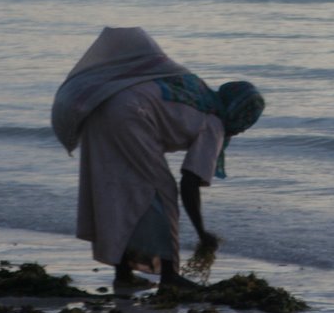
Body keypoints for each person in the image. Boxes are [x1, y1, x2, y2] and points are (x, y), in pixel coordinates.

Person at [51, 27, 265, 289]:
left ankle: (124, 273)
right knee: (162, 190)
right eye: (245, 124)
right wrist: (202, 233)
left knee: (120, 188)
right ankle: (169, 276)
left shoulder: (197, 89)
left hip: (104, 105)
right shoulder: (214, 122)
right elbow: (190, 182)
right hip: (131, 115)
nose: (241, 129)